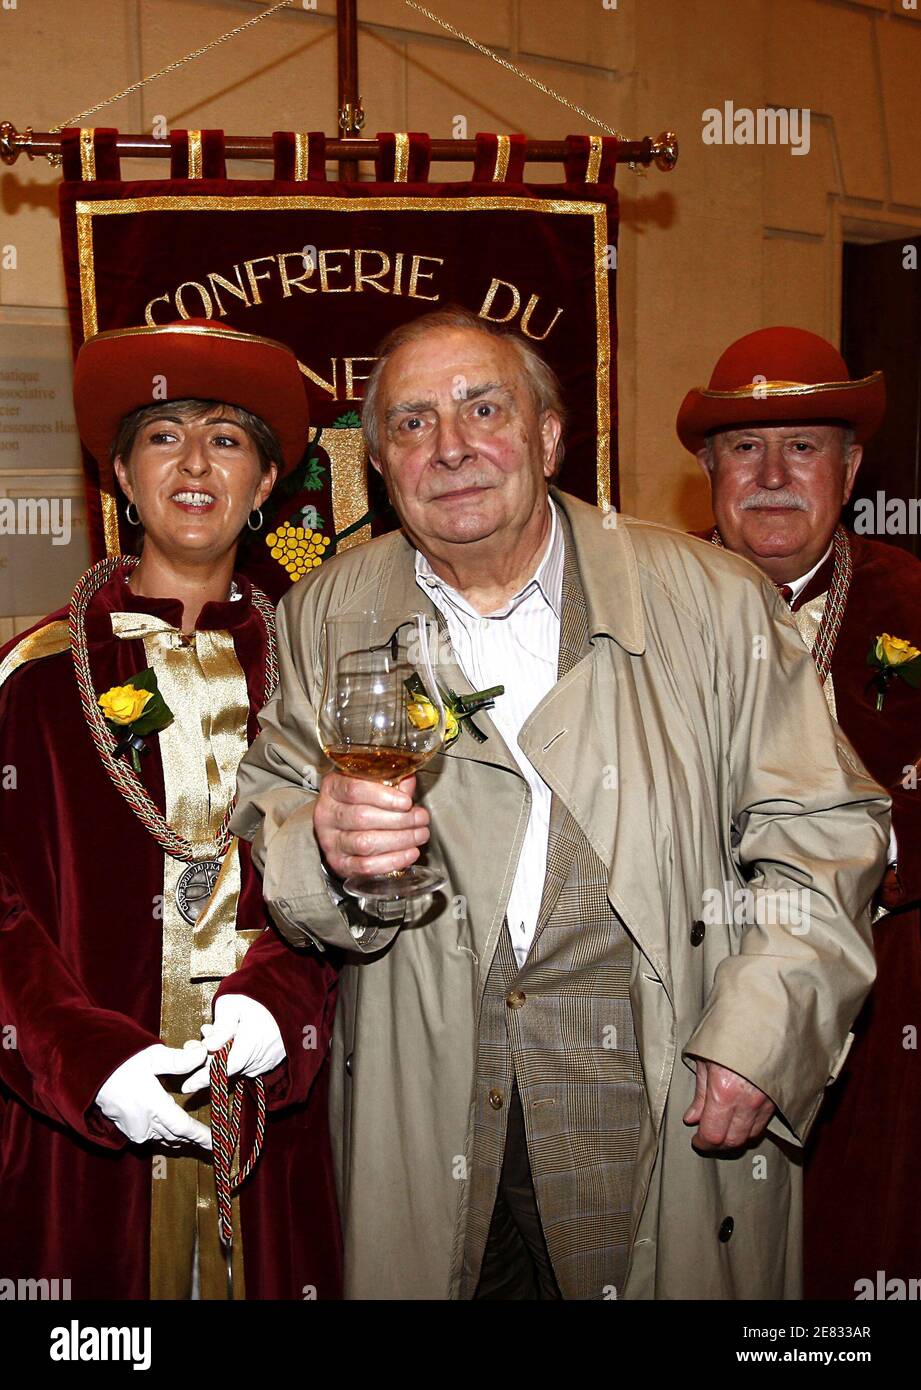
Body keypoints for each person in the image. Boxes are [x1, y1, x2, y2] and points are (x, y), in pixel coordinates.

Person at [232, 305, 888, 1301]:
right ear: (378, 464)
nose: (449, 448)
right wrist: (322, 850)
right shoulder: (326, 614)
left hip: (659, 1098)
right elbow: (273, 817)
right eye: (411, 423)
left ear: (547, 434)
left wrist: (765, 1034)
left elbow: (825, 831)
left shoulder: (711, 601)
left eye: (481, 408)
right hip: (430, 1106)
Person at [0, 319, 341, 1300]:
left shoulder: (315, 681)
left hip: (274, 1135)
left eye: (229, 439)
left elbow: (354, 885)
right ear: (117, 470)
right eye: (164, 434)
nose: (196, 462)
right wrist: (88, 1062)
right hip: (75, 1154)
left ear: (268, 485)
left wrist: (283, 1002)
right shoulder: (32, 680)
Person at [679, 324, 921, 1300]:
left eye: (805, 446)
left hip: (891, 1007)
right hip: (691, 991)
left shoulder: (915, 601)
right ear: (708, 467)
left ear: (853, 465)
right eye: (745, 447)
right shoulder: (646, 605)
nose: (773, 474)